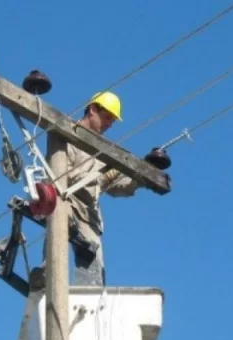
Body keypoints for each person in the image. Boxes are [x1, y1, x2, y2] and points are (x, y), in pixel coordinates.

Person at [28, 91, 169, 290]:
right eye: (107, 117)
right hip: (66, 201)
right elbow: (59, 175)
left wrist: (141, 177)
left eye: (112, 120)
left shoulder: (103, 150)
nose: (110, 124)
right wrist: (98, 177)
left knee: (95, 268)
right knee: (57, 229)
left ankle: (91, 298)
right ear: (93, 110)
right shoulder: (67, 134)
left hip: (89, 215)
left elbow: (116, 188)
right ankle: (46, 274)